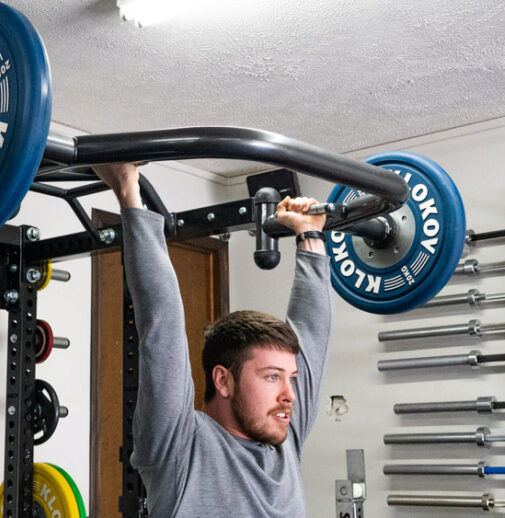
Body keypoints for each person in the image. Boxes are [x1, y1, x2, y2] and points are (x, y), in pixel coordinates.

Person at [94, 163, 333, 517]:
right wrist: (128, 191)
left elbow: (312, 331)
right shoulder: (180, 447)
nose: (289, 394)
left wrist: (309, 234)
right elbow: (162, 326)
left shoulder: (283, 434)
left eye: (290, 378)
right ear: (223, 379)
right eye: (271, 377)